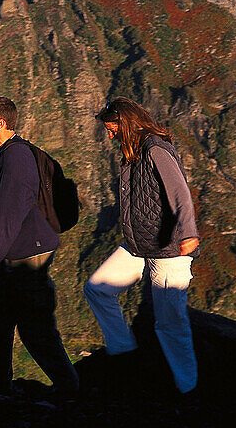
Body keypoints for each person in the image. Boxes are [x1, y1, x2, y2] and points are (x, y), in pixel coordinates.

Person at [83, 97, 200, 394]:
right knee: (97, 288)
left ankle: (188, 389)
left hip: (168, 252)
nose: (109, 135)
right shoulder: (134, 152)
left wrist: (188, 233)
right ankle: (123, 351)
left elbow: (180, 193)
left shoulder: (154, 148)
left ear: (126, 123)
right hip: (139, 246)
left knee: (170, 325)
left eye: (112, 129)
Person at [0, 96, 80, 398]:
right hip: (19, 251)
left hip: (29, 253)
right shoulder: (10, 153)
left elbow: (10, 210)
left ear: (0, 123)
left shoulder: (16, 158)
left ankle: (69, 389)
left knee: (35, 326)